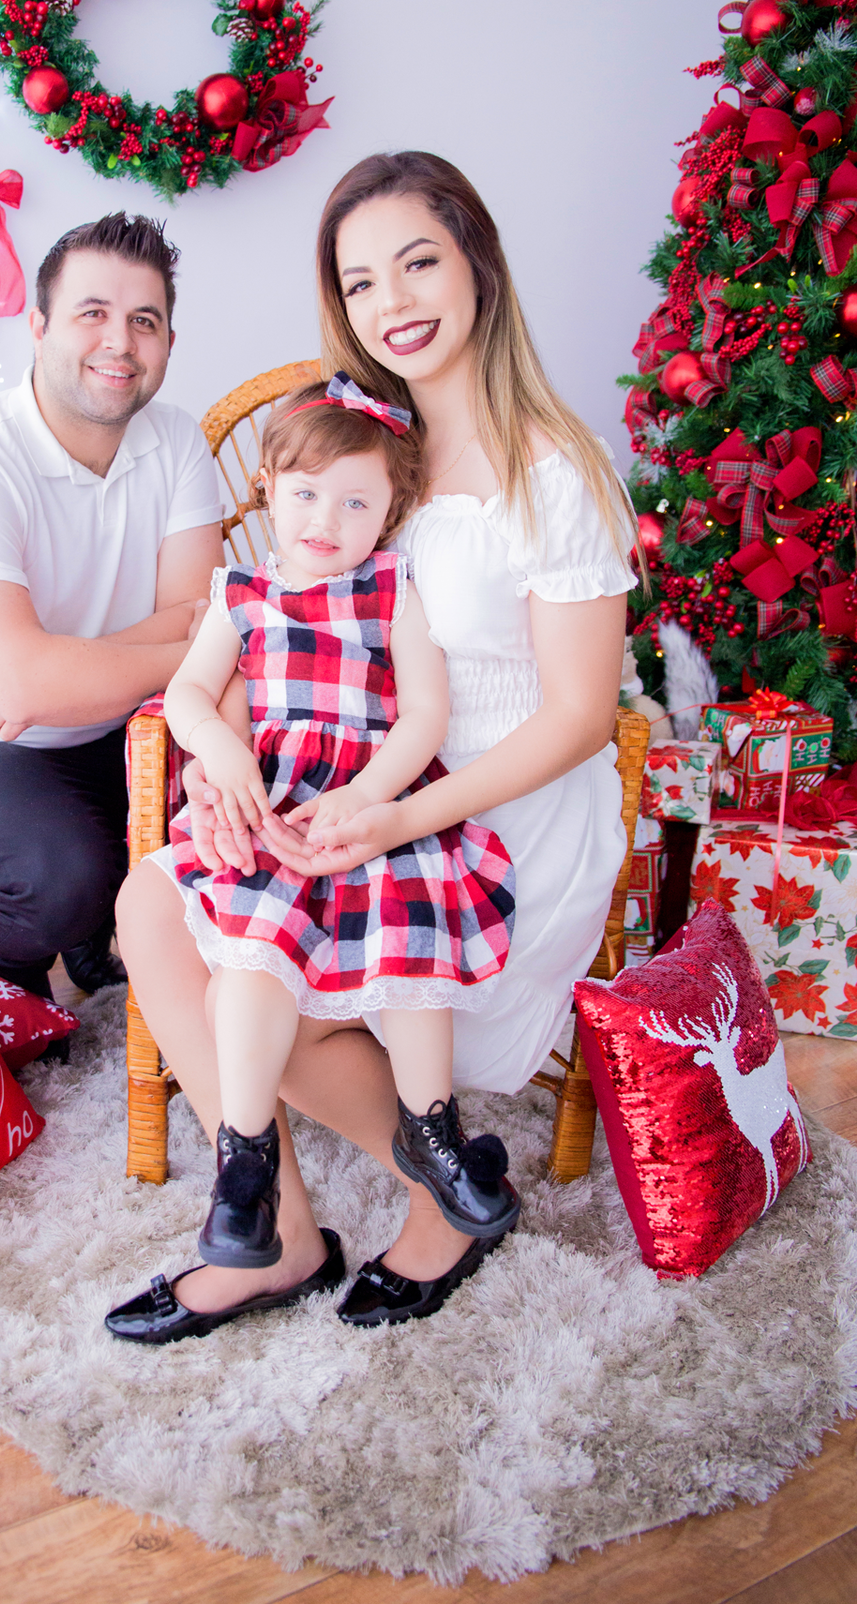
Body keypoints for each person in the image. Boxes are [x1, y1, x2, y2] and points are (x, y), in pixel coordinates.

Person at [108, 152, 636, 1342]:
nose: (391, 300)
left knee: (270, 977)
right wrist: (229, 769)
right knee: (154, 908)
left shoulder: (556, 473)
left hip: (498, 803)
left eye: (418, 261)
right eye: (358, 281)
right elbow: (285, 633)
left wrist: (401, 816)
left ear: (478, 267)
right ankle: (278, 1229)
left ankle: (435, 1200)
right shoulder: (367, 465)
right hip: (355, 779)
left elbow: (581, 714)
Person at [148, 375, 519, 1283]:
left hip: (374, 801)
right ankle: (246, 1166)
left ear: (390, 512)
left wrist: (373, 798)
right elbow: (192, 694)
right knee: (252, 947)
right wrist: (220, 755)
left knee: (411, 930)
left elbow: (424, 714)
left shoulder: (394, 585)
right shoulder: (238, 594)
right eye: (305, 493)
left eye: (356, 501)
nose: (326, 518)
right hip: (278, 805)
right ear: (268, 488)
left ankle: (433, 1136)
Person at [0, 213, 222, 1000]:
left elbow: (194, 615)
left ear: (169, 340)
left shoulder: (175, 442)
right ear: (37, 327)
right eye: (92, 314)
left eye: (145, 321)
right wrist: (45, 674)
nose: (120, 343)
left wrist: (53, 668)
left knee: (252, 809)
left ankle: (95, 933)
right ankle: (6, 990)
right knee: (60, 873)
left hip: (127, 723)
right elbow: (31, 689)